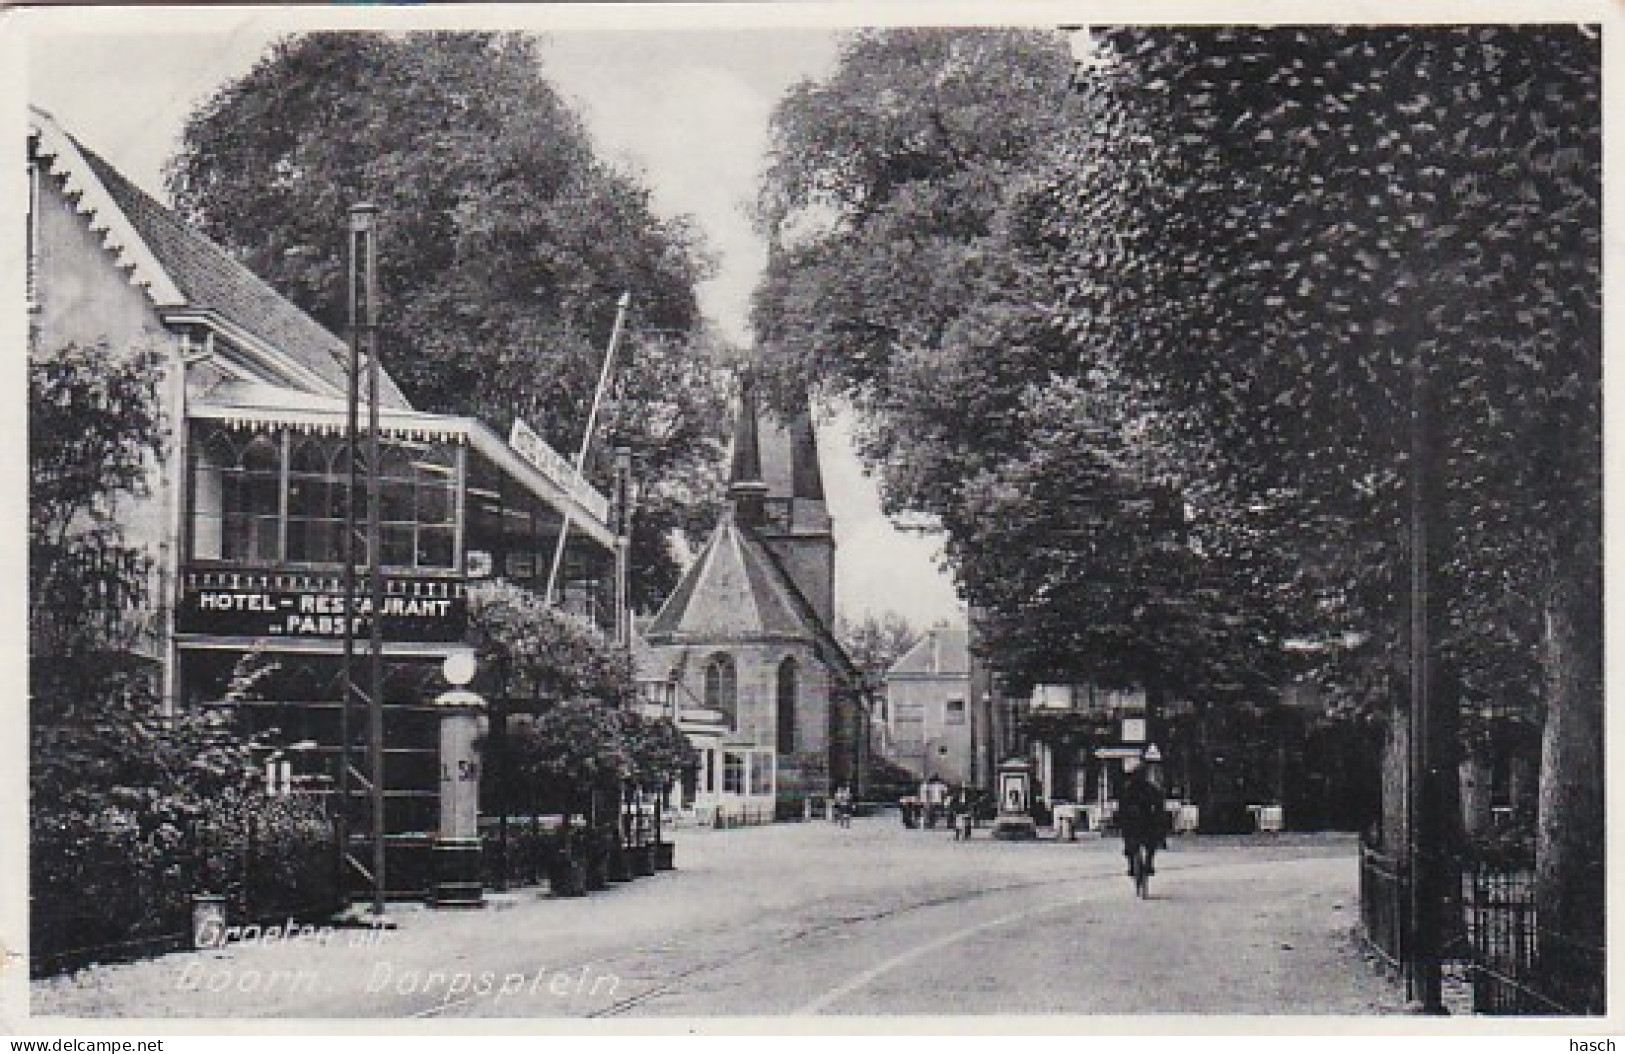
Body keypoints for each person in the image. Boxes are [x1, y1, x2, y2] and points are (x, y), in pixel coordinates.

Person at [1117, 758, 1170, 879]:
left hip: (1143, 821)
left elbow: (1158, 805)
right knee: (1138, 841)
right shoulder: (1141, 788)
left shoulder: (1138, 788)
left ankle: (1145, 862)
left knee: (1143, 841)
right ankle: (1140, 863)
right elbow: (1122, 807)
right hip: (1139, 821)